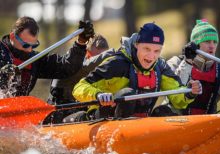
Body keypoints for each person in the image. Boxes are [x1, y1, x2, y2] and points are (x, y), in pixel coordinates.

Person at [72, 22, 201, 120]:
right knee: (127, 95)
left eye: (157, 51)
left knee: (163, 112)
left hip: (139, 124)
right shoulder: (117, 63)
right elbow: (79, 87)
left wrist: (189, 92)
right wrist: (98, 94)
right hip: (104, 119)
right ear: (136, 45)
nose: (151, 56)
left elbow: (177, 96)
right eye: (146, 49)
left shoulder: (160, 66)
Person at [0, 16, 94, 97]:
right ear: (12, 36)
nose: (29, 50)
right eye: (25, 45)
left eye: (33, 46)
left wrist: (81, 43)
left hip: (15, 112)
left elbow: (67, 67)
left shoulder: (34, 59)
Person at [44, 34, 109, 124]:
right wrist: (111, 54)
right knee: (83, 115)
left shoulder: (102, 73)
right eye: (93, 58)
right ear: (85, 54)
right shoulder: (68, 68)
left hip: (81, 112)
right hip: (58, 117)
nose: (99, 65)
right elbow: (85, 67)